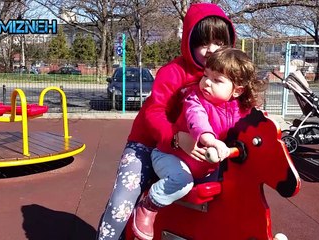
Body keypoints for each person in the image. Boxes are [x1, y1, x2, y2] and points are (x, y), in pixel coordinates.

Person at [96, 3, 235, 240]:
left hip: (188, 152)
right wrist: (176, 137)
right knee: (123, 200)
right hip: (148, 143)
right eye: (204, 42)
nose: (212, 50)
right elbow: (154, 112)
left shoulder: (226, 75)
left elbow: (238, 106)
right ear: (190, 42)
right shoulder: (174, 71)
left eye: (219, 43)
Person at [131, 48, 268, 240]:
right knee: (182, 181)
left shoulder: (240, 110)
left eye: (217, 80)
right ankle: (148, 206)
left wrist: (266, 127)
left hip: (203, 167)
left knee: (231, 189)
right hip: (169, 155)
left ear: (237, 91)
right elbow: (197, 120)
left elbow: (252, 125)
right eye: (206, 76)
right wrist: (209, 139)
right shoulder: (195, 99)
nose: (207, 83)